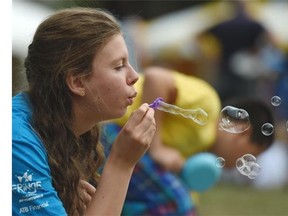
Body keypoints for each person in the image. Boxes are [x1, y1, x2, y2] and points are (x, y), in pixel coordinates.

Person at [12, 7, 156, 216]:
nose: (134, 76)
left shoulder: (52, 126)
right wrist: (121, 163)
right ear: (78, 82)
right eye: (119, 66)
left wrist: (55, 191)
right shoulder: (16, 142)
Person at [101, 66, 275, 215]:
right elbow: (156, 78)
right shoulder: (208, 102)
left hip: (123, 146)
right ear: (244, 131)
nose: (242, 165)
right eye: (251, 155)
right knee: (177, 206)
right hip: (112, 128)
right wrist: (156, 147)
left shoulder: (202, 150)